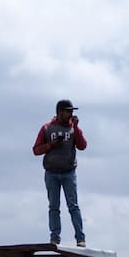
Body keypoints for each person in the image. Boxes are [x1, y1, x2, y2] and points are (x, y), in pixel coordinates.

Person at [32, 99, 87, 247]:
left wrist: (77, 128)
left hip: (69, 173)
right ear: (60, 112)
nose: (71, 114)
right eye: (68, 111)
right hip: (51, 173)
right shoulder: (46, 128)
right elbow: (36, 150)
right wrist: (51, 145)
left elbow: (83, 146)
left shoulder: (74, 128)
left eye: (72, 111)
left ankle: (80, 238)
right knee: (54, 207)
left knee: (73, 206)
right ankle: (55, 238)